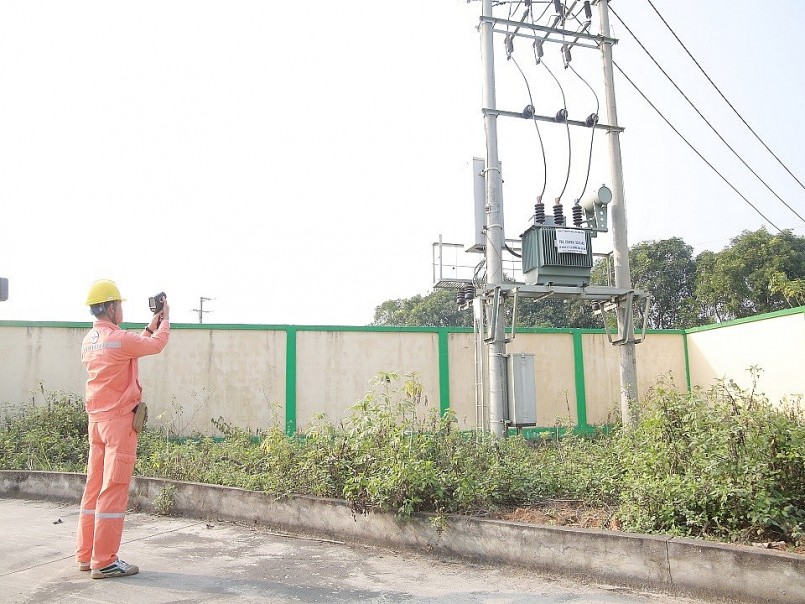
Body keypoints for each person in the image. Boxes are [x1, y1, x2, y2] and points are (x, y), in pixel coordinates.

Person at [76, 279, 170, 579]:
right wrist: (165, 321)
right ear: (111, 306)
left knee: (94, 486)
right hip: (118, 424)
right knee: (113, 489)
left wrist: (148, 326)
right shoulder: (120, 340)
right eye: (119, 305)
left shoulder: (91, 340)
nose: (121, 310)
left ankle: (85, 555)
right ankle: (104, 561)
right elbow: (154, 345)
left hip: (97, 422)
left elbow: (128, 346)